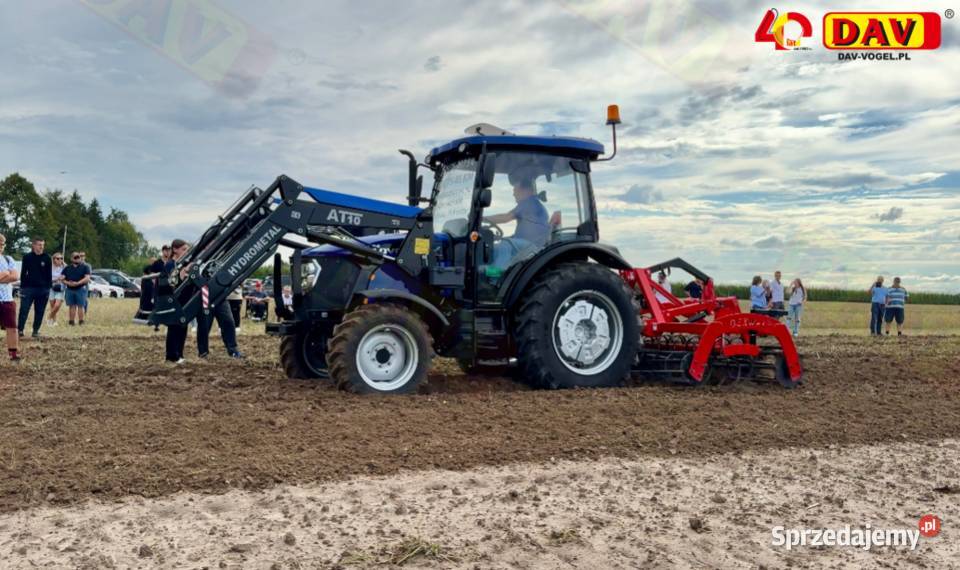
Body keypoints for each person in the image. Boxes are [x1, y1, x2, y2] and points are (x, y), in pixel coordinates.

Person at [483, 169, 549, 269]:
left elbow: (505, 218)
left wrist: (482, 218)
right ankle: (486, 272)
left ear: (526, 191)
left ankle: (498, 274)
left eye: (515, 191)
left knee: (505, 245)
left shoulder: (529, 203)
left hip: (532, 246)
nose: (513, 194)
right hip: (528, 244)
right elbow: (523, 233)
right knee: (495, 248)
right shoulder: (532, 203)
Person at [17, 238, 52, 338]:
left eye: (43, 245)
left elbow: (49, 274)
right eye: (39, 244)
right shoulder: (27, 257)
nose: (41, 247)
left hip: (43, 289)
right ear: (34, 245)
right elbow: (23, 273)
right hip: (28, 288)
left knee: (40, 311)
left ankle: (35, 331)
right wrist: (22, 287)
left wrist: (48, 288)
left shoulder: (47, 257)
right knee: (24, 309)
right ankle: (20, 330)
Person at [164, 239, 191, 364]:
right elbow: (172, 282)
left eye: (187, 250)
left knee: (183, 327)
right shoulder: (170, 264)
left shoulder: (184, 263)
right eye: (184, 249)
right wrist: (183, 274)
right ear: (175, 249)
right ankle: (171, 356)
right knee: (174, 327)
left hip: (184, 300)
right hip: (174, 300)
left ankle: (179, 354)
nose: (186, 252)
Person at [196, 294, 244, 360]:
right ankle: (203, 352)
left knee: (228, 321)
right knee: (204, 325)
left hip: (221, 296)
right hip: (204, 298)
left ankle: (233, 350)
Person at [0, 234, 21, 361]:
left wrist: (4, 275)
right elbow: (10, 275)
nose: (1, 246)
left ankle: (13, 354)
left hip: (7, 298)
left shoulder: (8, 259)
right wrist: (6, 273)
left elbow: (15, 276)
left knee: (12, 328)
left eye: (2, 244)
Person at [61, 252, 91, 325]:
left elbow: (87, 278)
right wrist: (68, 283)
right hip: (70, 289)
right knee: (71, 306)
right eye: (75, 257)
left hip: (80, 289)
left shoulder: (85, 267)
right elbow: (62, 278)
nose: (77, 259)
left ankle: (81, 321)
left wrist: (78, 283)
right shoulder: (67, 268)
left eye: (78, 257)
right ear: (71, 259)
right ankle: (71, 321)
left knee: (81, 306)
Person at [48, 252, 66, 325]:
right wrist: (56, 280)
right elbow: (47, 278)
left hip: (60, 288)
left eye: (61, 258)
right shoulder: (49, 267)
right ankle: (54, 321)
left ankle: (49, 317)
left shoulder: (64, 267)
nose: (60, 260)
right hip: (51, 287)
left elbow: (67, 274)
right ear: (53, 259)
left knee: (57, 305)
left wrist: (64, 264)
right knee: (52, 305)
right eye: (58, 258)